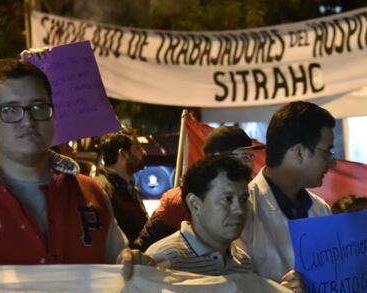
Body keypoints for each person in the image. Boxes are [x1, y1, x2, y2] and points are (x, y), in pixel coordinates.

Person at [0, 58, 151, 284]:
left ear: (54, 116)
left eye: (38, 107)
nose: (27, 121)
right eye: (10, 110)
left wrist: (133, 263)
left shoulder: (92, 194)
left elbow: (117, 265)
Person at [238, 101, 335, 283]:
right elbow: (240, 286)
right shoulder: (243, 210)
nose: (333, 162)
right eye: (327, 152)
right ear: (299, 152)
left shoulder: (321, 209)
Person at [134, 125, 264, 251]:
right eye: (244, 157)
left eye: (250, 157)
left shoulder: (256, 195)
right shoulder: (178, 200)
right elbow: (145, 249)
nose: (251, 165)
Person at [145, 154, 254, 275]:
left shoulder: (243, 263)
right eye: (227, 199)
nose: (239, 210)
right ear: (195, 204)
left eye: (244, 199)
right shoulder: (166, 261)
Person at [96, 127, 149, 243]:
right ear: (123, 154)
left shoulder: (129, 187)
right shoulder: (103, 190)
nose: (144, 152)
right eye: (137, 148)